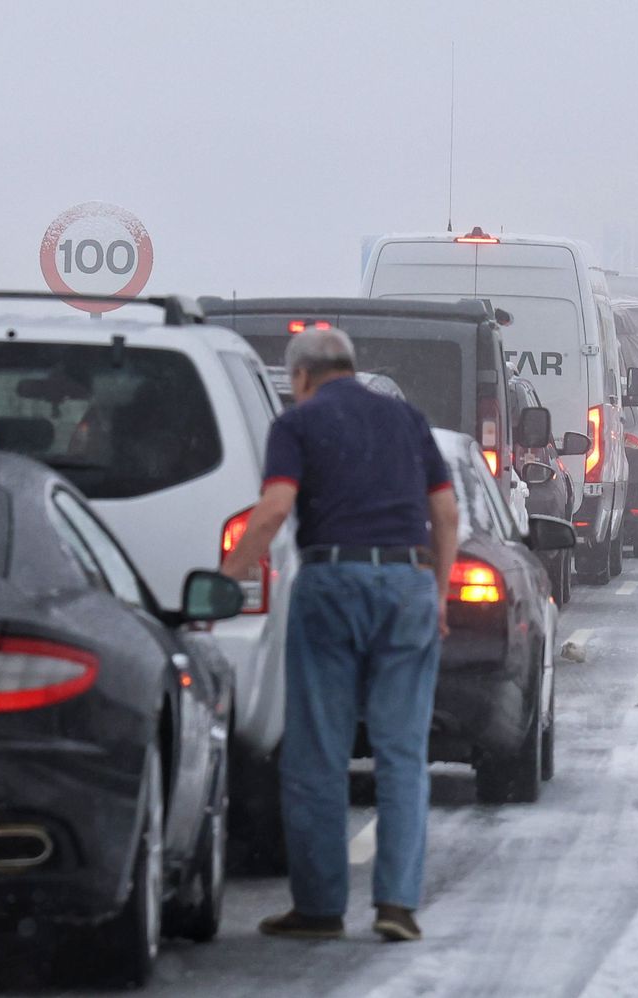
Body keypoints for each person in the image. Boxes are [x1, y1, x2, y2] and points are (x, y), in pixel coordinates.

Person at [220, 326, 459, 944]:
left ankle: (322, 907)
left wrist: (228, 580)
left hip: (332, 580)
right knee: (403, 754)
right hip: (407, 581)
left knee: (318, 754)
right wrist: (436, 590)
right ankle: (397, 906)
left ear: (300, 378)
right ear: (350, 367)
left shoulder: (296, 425)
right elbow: (446, 512)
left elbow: (273, 509)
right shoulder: (407, 418)